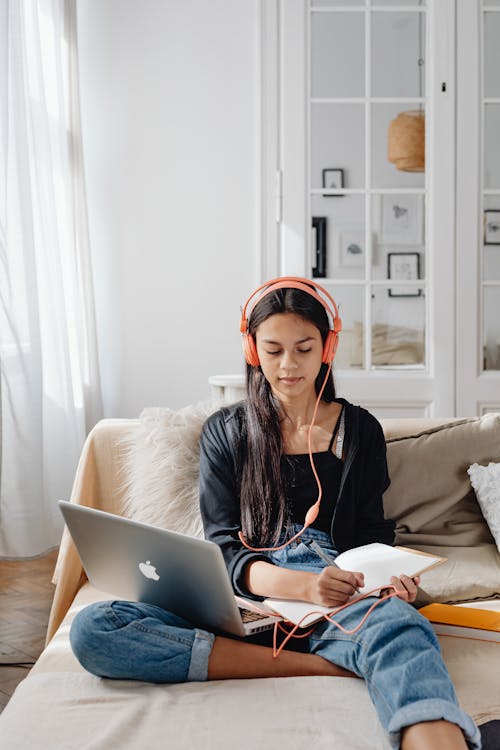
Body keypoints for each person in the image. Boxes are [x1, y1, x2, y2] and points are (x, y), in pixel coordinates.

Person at [70, 277, 481, 750]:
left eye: (304, 348)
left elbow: (370, 533)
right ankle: (324, 664)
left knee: (405, 630)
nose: (289, 366)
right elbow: (224, 547)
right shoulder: (226, 431)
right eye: (273, 350)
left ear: (327, 347)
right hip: (248, 598)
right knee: (96, 629)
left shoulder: (360, 430)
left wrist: (386, 581)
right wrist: (301, 586)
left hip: (336, 599)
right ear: (252, 350)